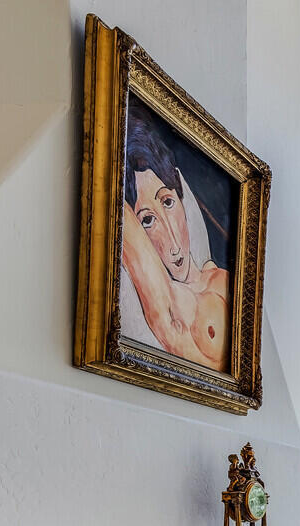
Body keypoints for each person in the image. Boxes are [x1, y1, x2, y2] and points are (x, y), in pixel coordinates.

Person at [119, 111, 230, 372]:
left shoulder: (222, 280)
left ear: (181, 199)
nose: (172, 242)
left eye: (168, 202)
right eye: (147, 220)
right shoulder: (170, 303)